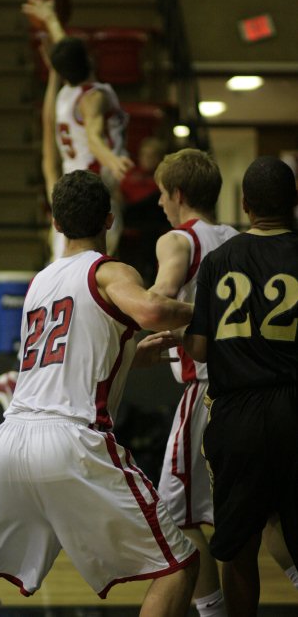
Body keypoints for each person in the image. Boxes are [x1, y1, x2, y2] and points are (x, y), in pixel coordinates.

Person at [0, 169, 200, 617]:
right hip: (71, 440)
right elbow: (151, 309)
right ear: (110, 220)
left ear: (55, 223)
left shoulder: (40, 283)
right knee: (179, 565)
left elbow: (68, 355)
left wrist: (130, 355)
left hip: (11, 438)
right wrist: (214, 311)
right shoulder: (108, 270)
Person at [182, 155, 298, 617]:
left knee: (237, 544)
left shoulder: (218, 261)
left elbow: (200, 349)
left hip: (238, 414)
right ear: (294, 202)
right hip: (295, 407)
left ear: (245, 204)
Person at [150, 148, 239, 617]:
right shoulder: (238, 238)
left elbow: (160, 300)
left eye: (162, 195)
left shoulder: (178, 240)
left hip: (205, 392)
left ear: (178, 194)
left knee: (174, 513)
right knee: (259, 516)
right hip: (254, 390)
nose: (160, 204)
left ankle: (212, 611)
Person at [23, 0, 133, 259]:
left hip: (66, 185)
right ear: (90, 60)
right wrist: (111, 159)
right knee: (93, 268)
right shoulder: (93, 96)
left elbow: (66, 56)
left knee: (65, 268)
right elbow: (94, 138)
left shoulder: (64, 95)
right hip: (93, 187)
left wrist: (51, 21)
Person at [119, 136, 170, 285]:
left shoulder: (164, 179)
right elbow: (124, 202)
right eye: (144, 154)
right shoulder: (130, 176)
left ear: (159, 158)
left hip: (155, 232)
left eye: (151, 155)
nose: (147, 158)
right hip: (132, 230)